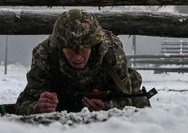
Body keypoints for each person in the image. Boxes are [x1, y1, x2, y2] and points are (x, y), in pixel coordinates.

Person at [15, 9, 150, 115]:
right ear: (60, 47)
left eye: (84, 48)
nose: (77, 57)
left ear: (94, 45)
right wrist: (39, 107)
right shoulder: (45, 54)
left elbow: (132, 100)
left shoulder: (112, 53)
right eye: (70, 49)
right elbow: (24, 103)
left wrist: (108, 107)